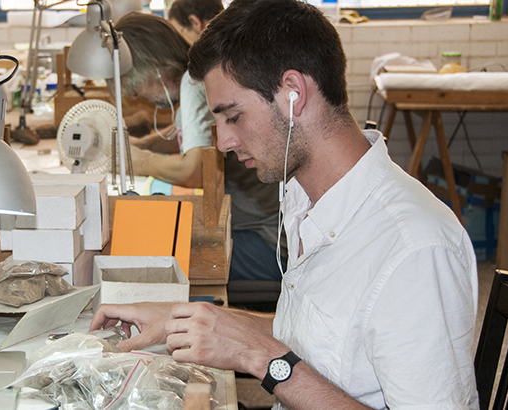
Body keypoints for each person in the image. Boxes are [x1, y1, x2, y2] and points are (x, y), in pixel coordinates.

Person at [91, 0, 480, 408]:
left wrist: (261, 355)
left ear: (294, 93)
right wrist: (183, 320)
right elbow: (321, 337)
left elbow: (280, 355)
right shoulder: (308, 198)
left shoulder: (414, 249)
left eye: (233, 117)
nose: (222, 142)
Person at [115, 12, 285, 283]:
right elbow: (192, 133)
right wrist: (142, 144)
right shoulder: (200, 77)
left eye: (135, 84)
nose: (135, 96)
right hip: (263, 230)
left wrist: (136, 159)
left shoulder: (192, 85)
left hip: (269, 247)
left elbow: (195, 169)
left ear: (155, 65)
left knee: (157, 254)